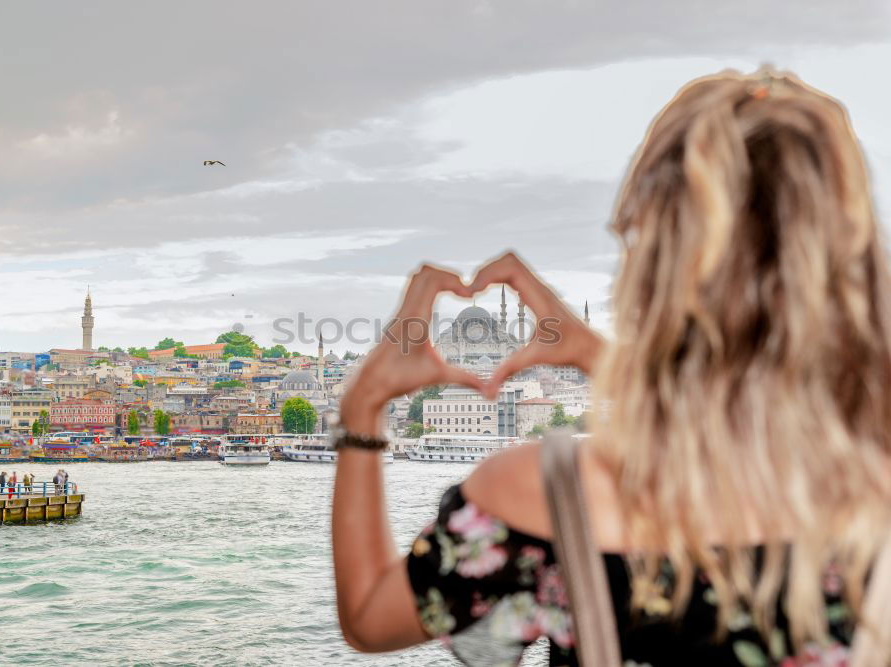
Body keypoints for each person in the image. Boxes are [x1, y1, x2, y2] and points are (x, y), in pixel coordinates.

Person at [330, 69, 891, 665]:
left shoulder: (545, 496)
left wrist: (363, 410)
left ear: (649, 262)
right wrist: (603, 358)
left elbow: (369, 617)